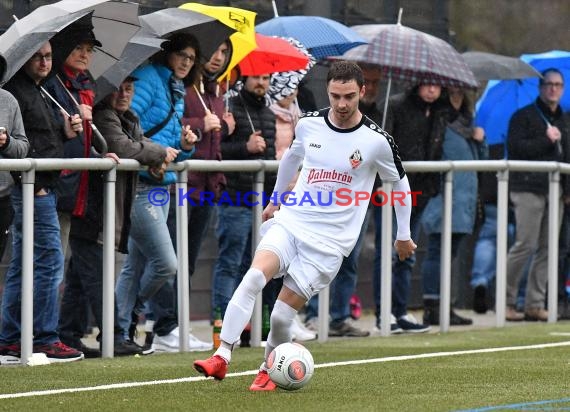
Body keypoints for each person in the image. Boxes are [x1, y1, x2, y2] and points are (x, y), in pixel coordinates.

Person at [194, 61, 416, 391]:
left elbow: (400, 184)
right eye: (335, 96)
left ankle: (268, 368)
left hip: (329, 243)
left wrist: (403, 235)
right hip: (293, 221)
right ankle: (222, 355)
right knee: (255, 275)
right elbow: (292, 160)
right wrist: (275, 200)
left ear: (363, 92)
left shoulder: (377, 140)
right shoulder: (309, 124)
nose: (342, 104)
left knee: (283, 317)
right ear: (327, 91)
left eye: (350, 97)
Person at [114, 33, 211, 352]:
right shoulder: (149, 78)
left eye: (192, 57)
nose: (186, 61)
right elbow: (128, 127)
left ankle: (119, 330)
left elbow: (170, 151)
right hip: (140, 185)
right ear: (167, 54)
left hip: (160, 187)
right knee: (166, 264)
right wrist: (155, 155)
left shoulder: (176, 87)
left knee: (136, 266)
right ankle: (125, 318)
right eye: (181, 54)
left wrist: (184, 147)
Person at [0, 44, 84, 363]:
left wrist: (65, 133)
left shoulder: (40, 90)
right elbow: (20, 145)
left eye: (49, 56)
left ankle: (11, 338)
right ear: (23, 59)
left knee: (26, 264)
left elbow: (37, 141)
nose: (46, 62)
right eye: (38, 56)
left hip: (41, 185)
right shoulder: (16, 93)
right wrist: (28, 182)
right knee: (48, 261)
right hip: (32, 187)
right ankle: (44, 337)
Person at [165, 40, 235, 345]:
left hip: (207, 185)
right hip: (182, 183)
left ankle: (176, 322)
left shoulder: (216, 91)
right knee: (171, 256)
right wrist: (200, 123)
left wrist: (225, 127)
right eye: (215, 50)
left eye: (225, 53)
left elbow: (216, 139)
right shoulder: (184, 87)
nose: (219, 57)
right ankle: (163, 323)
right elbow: (172, 125)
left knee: (190, 257)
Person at [374, 83, 443, 332]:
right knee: (388, 252)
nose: (433, 90)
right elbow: (382, 147)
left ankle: (400, 312)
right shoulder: (394, 105)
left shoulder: (440, 111)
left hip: (421, 191)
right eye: (428, 83)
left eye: (437, 85)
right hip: (392, 189)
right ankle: (384, 314)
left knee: (407, 255)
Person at [505, 68, 570, 322]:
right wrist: (546, 139)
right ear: (540, 88)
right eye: (549, 84)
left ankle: (534, 303)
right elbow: (517, 149)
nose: (553, 89)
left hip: (556, 190)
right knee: (525, 245)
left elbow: (565, 156)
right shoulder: (523, 117)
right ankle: (507, 302)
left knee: (548, 248)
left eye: (558, 85)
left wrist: (567, 190)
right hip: (528, 188)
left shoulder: (563, 119)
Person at [211, 74, 277, 320]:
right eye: (256, 78)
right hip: (234, 199)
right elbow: (215, 152)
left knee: (260, 265)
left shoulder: (269, 115)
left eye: (266, 78)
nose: (261, 82)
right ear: (245, 80)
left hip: (261, 203)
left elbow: (269, 162)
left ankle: (254, 324)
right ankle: (222, 322)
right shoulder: (230, 110)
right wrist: (245, 148)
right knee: (230, 262)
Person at [420, 87, 486, 326]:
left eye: (462, 91)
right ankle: (432, 306)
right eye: (453, 90)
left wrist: (480, 139)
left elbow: (481, 161)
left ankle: (445, 306)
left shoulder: (468, 122)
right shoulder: (437, 119)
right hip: (442, 196)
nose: (457, 95)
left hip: (464, 199)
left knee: (451, 253)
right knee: (437, 251)